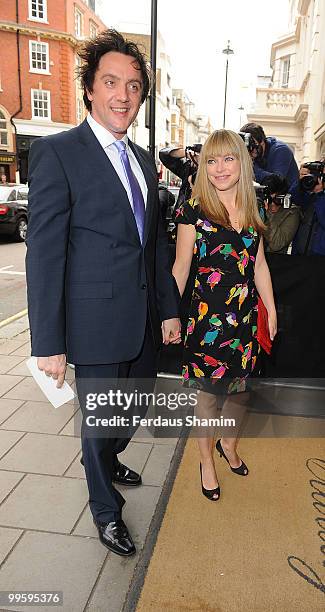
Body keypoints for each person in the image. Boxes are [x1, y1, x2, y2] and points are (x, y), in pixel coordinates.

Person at [26, 29, 181, 557]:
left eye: (133, 86)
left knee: (132, 409)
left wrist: (169, 310)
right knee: (98, 423)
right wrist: (48, 340)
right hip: (91, 325)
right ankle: (105, 510)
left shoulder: (143, 160)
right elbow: (44, 254)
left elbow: (153, 243)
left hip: (142, 318)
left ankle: (111, 456)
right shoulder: (58, 153)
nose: (123, 95)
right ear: (90, 89)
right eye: (111, 82)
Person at [172, 129, 277, 501]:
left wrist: (271, 308)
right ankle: (206, 460)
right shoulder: (193, 210)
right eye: (211, 160)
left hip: (246, 320)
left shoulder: (252, 208)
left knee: (242, 391)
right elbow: (181, 267)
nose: (219, 168)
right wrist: (170, 313)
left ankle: (228, 444)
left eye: (227, 158)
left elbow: (259, 264)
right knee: (208, 398)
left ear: (242, 162)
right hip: (207, 323)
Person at [240, 123, 299, 191]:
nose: (250, 149)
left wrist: (249, 166)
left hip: (291, 198)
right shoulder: (256, 153)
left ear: (262, 141)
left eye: (253, 144)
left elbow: (275, 183)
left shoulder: (281, 150)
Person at [290, 161, 325, 255]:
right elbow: (294, 198)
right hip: (300, 251)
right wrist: (300, 181)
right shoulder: (312, 193)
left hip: (319, 256)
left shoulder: (319, 195)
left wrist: (320, 193)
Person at [261, 174, 301, 254]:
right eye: (269, 200)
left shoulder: (291, 212)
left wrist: (267, 214)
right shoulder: (258, 206)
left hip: (275, 260)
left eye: (277, 200)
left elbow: (277, 244)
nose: (273, 206)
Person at [159, 143, 202, 209]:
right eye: (191, 159)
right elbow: (163, 155)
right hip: (181, 214)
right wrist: (186, 153)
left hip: (196, 215)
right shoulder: (187, 168)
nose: (192, 164)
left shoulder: (210, 174)